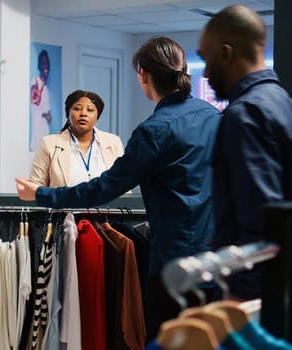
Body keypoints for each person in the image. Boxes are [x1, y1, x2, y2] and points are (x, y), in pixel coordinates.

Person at [16, 37, 222, 340]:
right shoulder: (212, 116)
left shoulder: (154, 131)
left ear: (144, 76)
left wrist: (42, 194)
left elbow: (105, 188)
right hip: (217, 258)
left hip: (175, 265)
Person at [198, 5, 292, 300]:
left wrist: (238, 304)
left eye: (206, 58)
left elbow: (261, 222)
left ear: (226, 54)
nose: (207, 73)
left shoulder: (244, 114)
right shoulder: (281, 101)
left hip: (253, 293)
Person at [30, 90, 124, 187]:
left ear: (97, 116)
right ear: (68, 114)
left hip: (107, 202)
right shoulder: (49, 143)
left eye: (90, 110)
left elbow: (123, 186)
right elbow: (35, 187)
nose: (83, 113)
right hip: (64, 202)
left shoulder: (113, 142)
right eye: (77, 109)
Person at [30, 49, 52, 151]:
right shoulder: (35, 81)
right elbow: (35, 100)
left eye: (47, 63)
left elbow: (49, 114)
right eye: (43, 63)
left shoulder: (46, 89)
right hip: (37, 128)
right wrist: (45, 115)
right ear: (39, 65)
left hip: (45, 130)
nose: (45, 66)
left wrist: (48, 116)